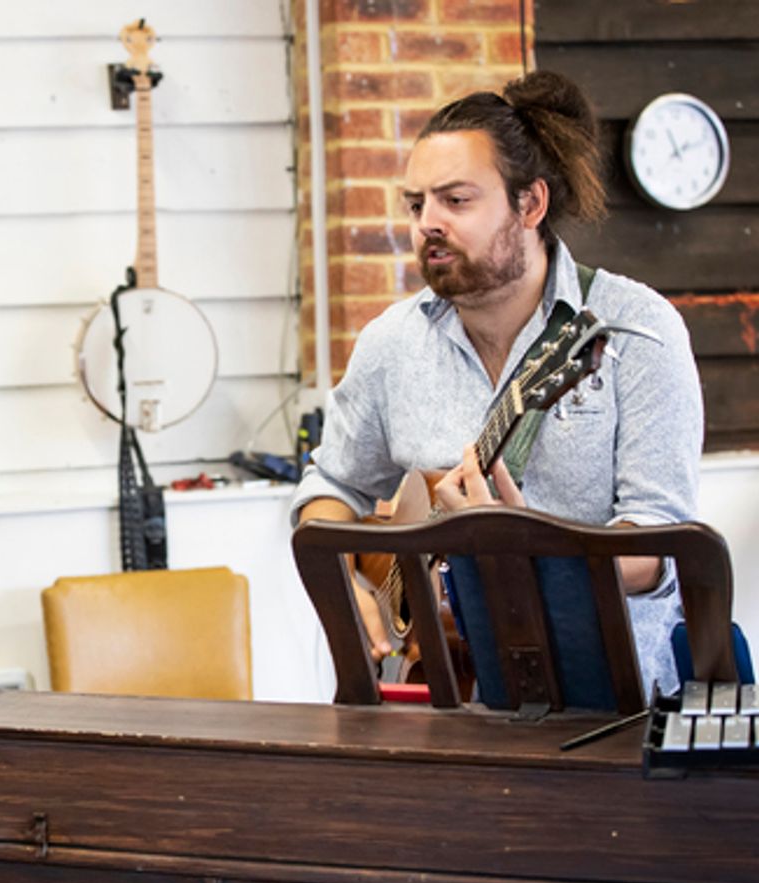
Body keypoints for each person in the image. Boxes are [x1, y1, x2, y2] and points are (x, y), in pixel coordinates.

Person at [292, 71, 703, 698]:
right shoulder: (391, 344)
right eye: (416, 204)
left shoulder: (637, 331)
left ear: (529, 204)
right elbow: (331, 486)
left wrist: (529, 546)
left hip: (617, 705)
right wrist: (351, 581)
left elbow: (654, 551)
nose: (426, 223)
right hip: (449, 696)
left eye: (455, 201)